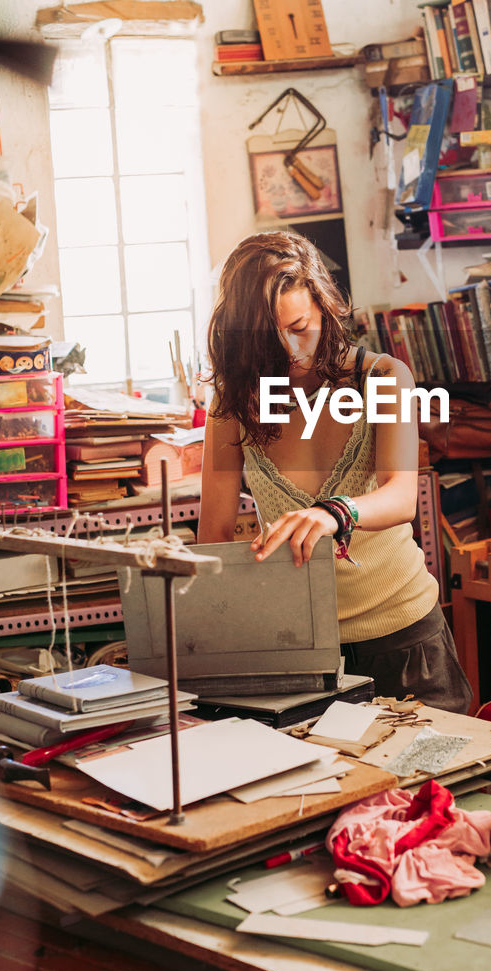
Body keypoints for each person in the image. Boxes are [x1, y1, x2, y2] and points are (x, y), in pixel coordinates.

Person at [197, 231, 472, 713]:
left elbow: (401, 496)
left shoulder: (383, 378)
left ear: (324, 306)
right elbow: (215, 535)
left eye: (299, 325)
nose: (288, 349)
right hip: (298, 645)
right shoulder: (233, 405)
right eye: (268, 337)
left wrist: (333, 513)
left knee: (429, 783)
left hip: (402, 633)